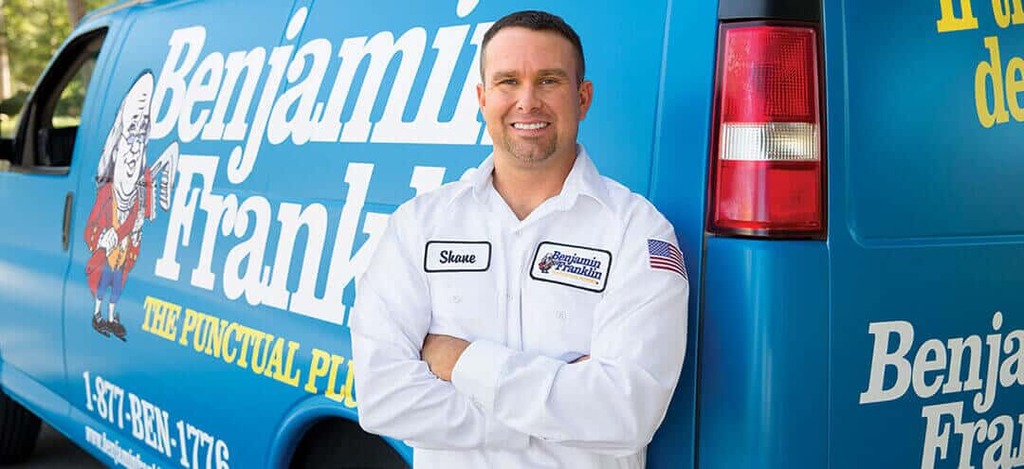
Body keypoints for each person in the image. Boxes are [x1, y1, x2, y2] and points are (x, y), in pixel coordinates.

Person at [350, 10, 688, 468]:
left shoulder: (636, 232)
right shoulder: (419, 226)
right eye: (508, 81)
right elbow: (381, 396)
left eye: (549, 81)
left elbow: (627, 412)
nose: (527, 102)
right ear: (482, 98)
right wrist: (549, 422)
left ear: (583, 98)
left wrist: (465, 362)